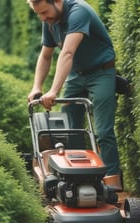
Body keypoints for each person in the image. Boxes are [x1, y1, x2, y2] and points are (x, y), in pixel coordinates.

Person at [26, 0, 122, 191]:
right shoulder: (49, 21)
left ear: (58, 1)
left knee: (103, 131)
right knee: (71, 131)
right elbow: (46, 55)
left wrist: (53, 91)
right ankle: (79, 178)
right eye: (39, 14)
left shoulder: (78, 12)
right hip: (76, 75)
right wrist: (37, 86)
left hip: (101, 72)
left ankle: (113, 184)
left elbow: (68, 52)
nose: (43, 18)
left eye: (45, 12)